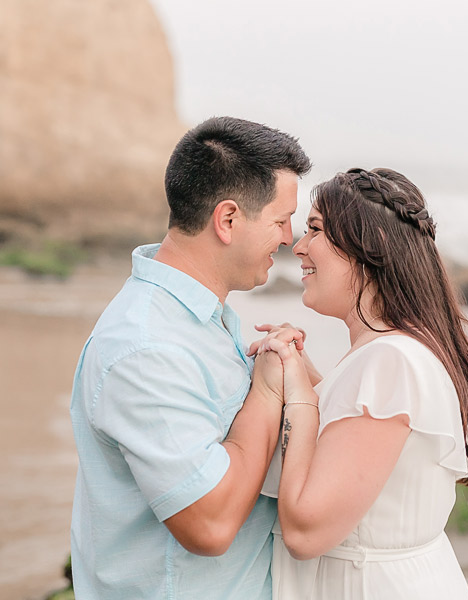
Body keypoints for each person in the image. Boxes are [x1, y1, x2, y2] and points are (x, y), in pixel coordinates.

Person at [69, 116, 311, 599]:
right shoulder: (147, 346)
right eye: (281, 220)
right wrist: (265, 393)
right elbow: (210, 523)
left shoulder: (199, 318)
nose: (290, 239)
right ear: (227, 219)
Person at [251, 168, 468, 599]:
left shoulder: (390, 362)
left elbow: (306, 532)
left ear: (371, 248)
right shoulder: (392, 354)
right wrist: (306, 376)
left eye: (315, 230)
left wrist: (297, 400)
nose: (298, 245)